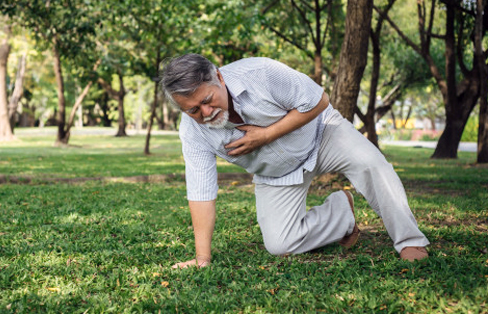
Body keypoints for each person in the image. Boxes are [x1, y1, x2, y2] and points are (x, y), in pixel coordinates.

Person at [160, 54, 430, 268]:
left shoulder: (260, 72)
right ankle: (342, 213)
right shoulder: (192, 131)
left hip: (322, 134)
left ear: (218, 77)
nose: (205, 112)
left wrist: (265, 135)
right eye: (193, 110)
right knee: (280, 244)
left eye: (207, 100)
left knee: (371, 163)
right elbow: (201, 191)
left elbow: (319, 100)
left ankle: (409, 240)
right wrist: (202, 258)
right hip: (276, 173)